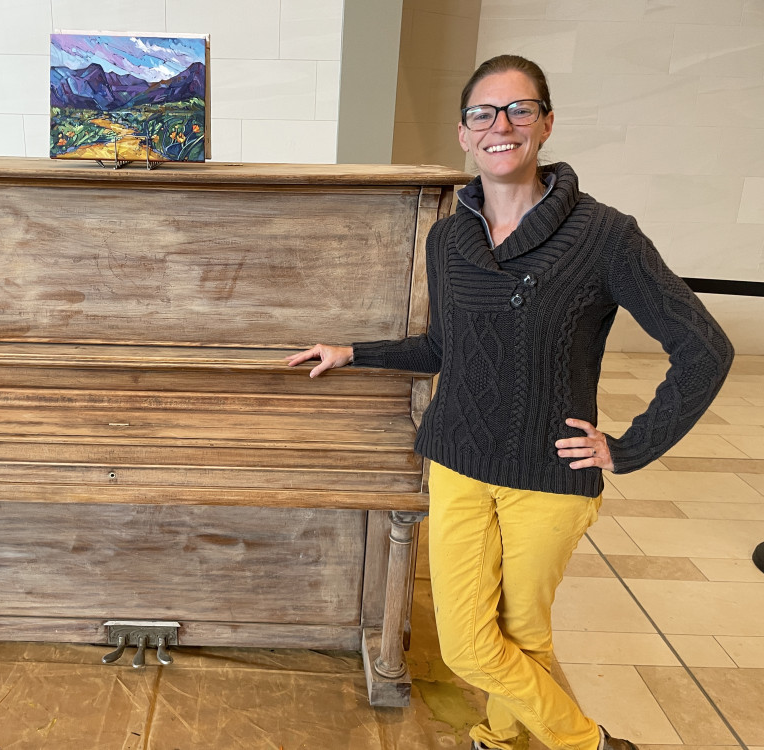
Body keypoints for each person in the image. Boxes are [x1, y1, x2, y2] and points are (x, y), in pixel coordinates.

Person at [287, 54, 733, 750]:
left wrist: (632, 444)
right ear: (464, 134)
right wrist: (355, 352)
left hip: (549, 478)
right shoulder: (449, 238)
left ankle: (503, 739)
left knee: (522, 636)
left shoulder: (606, 236)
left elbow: (705, 347)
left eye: (519, 109)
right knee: (472, 645)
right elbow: (447, 350)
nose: (501, 125)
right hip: (460, 464)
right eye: (483, 113)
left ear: (546, 123)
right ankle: (587, 743)